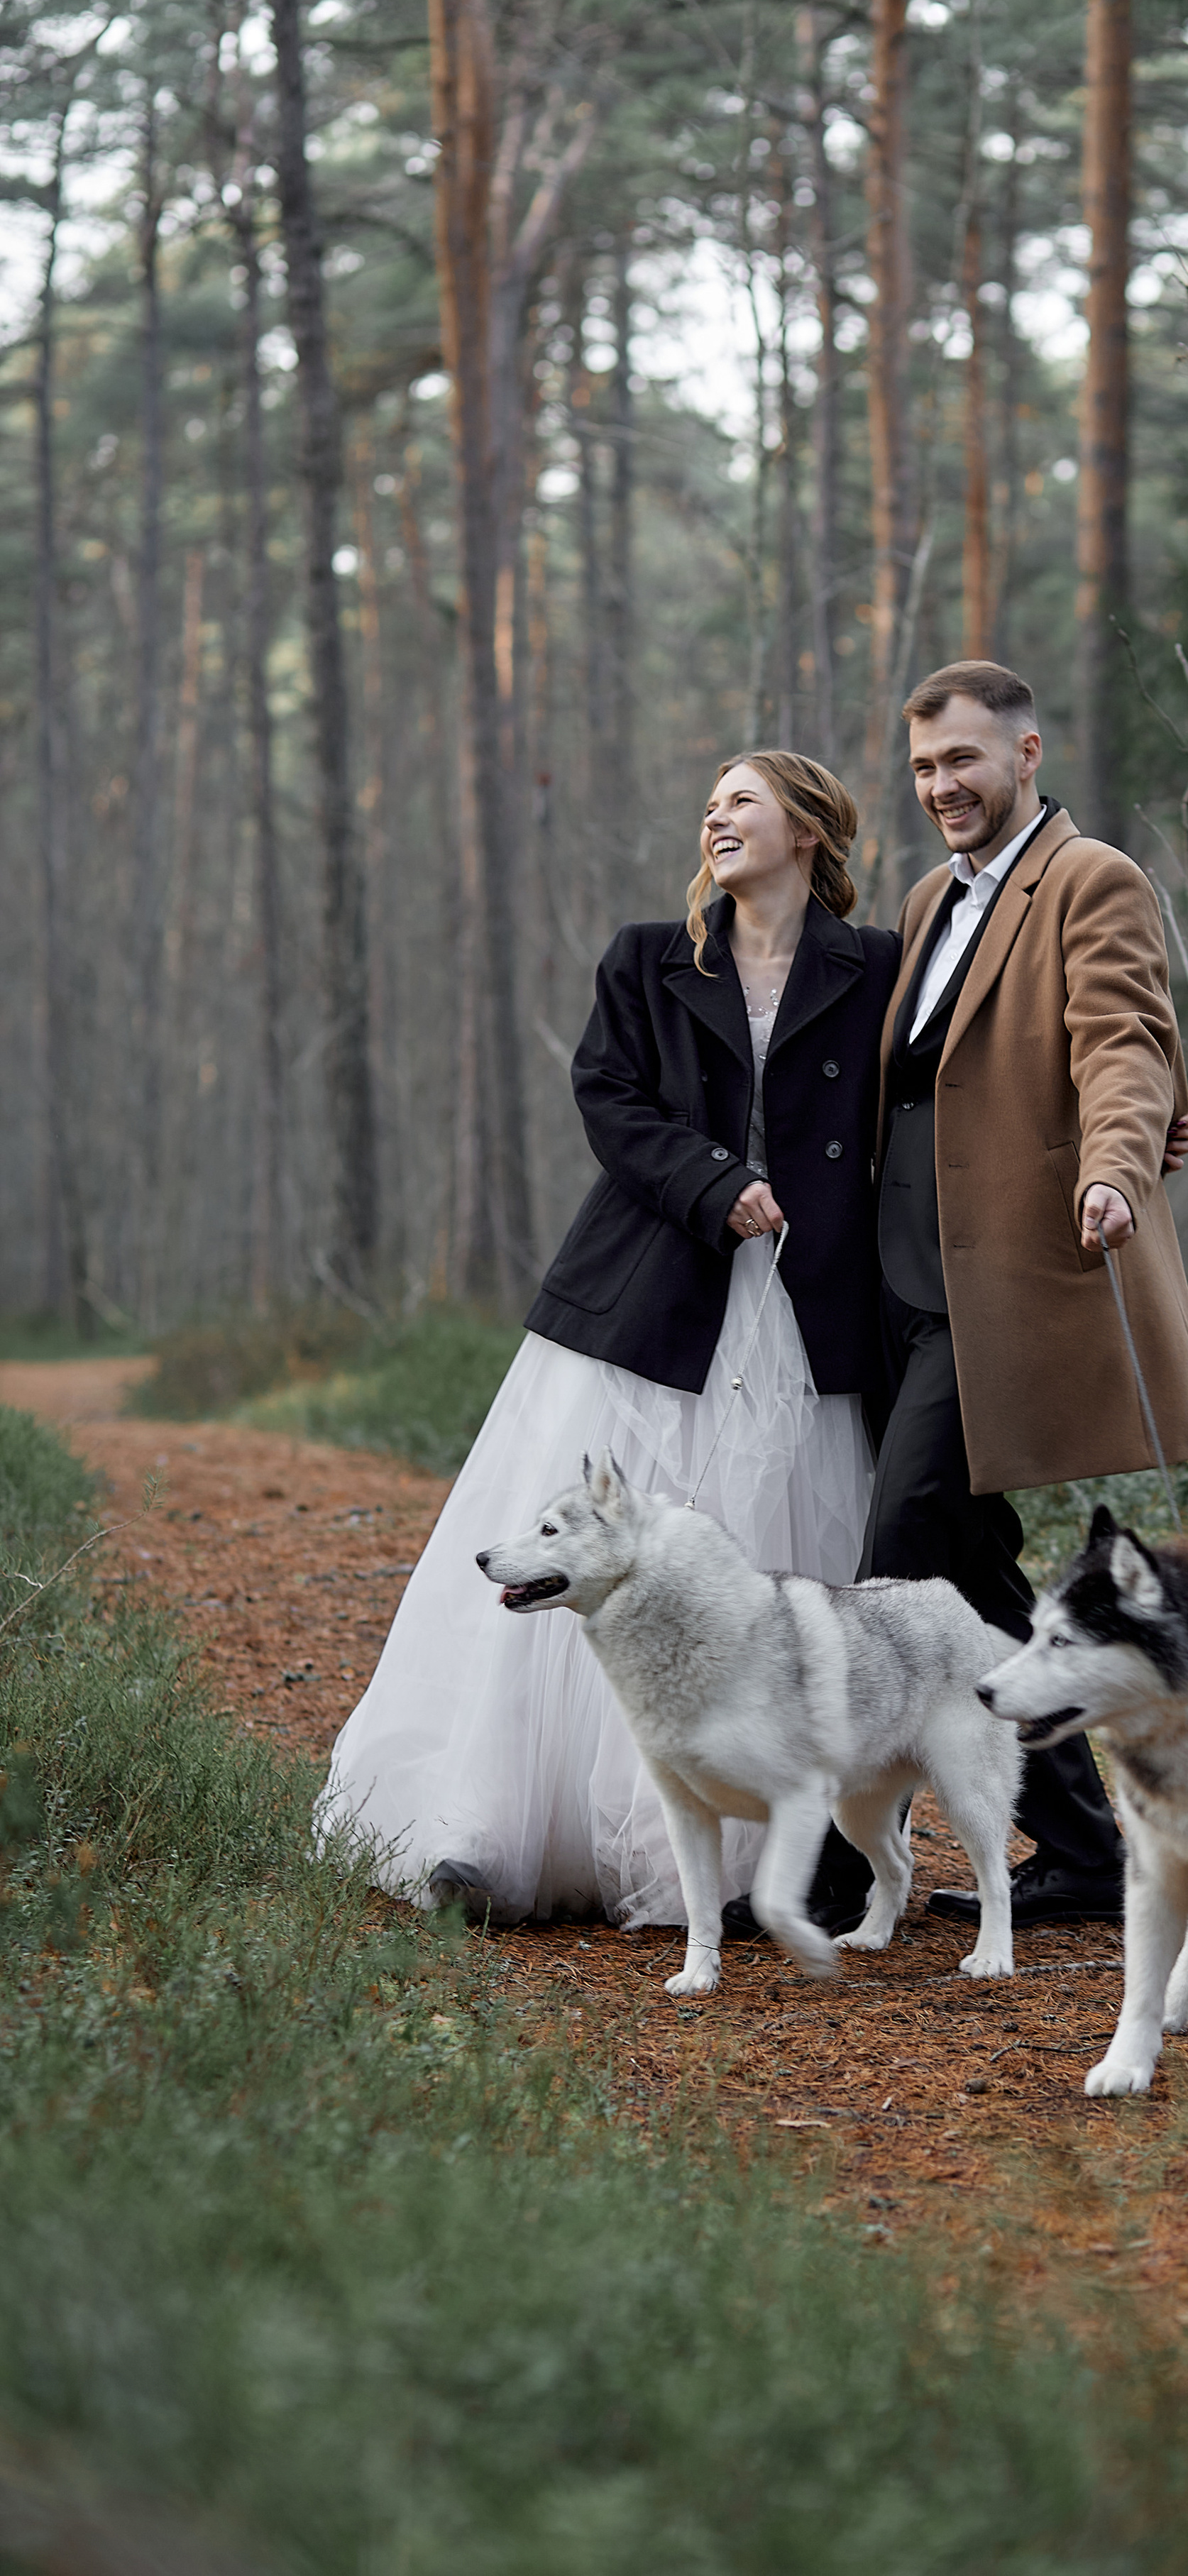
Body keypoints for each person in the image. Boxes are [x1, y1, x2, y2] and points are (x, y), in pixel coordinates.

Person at [316, 752, 900, 1928]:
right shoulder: (650, 958)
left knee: (764, 1575)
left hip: (812, 1310)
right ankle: (479, 1836)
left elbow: (951, 1091)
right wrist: (716, 1183)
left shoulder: (877, 968)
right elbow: (610, 1101)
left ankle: (748, 1870)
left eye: (741, 799)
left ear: (808, 828)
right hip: (649, 1304)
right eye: (710, 804)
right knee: (581, 1550)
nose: (715, 816)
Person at [851, 657, 1188, 1932]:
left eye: (961, 760)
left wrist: (1124, 1162)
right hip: (897, 1288)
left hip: (999, 1289)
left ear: (1027, 755)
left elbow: (1126, 1042)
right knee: (969, 1576)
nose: (940, 787)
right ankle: (1081, 1848)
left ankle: (844, 1873)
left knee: (899, 1552)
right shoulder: (922, 903)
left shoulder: (1091, 880)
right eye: (921, 769)